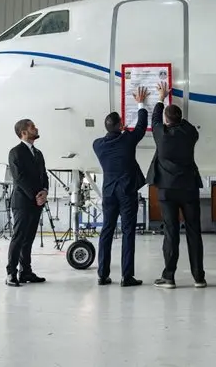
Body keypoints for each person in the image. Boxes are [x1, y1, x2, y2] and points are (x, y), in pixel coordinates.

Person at [146, 82, 206, 289]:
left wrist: (161, 98)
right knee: (194, 232)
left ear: (166, 120)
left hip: (167, 190)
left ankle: (169, 277)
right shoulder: (190, 134)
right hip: (189, 188)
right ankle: (199, 277)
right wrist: (176, 115)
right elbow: (187, 126)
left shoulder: (160, 134)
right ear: (180, 120)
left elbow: (155, 118)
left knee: (171, 233)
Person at [92, 86, 150, 287]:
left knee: (106, 231)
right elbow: (141, 125)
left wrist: (121, 131)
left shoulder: (98, 145)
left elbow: (115, 137)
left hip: (109, 193)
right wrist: (140, 103)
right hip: (127, 192)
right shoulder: (127, 140)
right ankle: (127, 276)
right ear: (120, 125)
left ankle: (102, 275)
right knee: (128, 232)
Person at [5, 118, 49, 287]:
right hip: (23, 202)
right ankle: (11, 273)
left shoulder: (38, 153)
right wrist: (35, 195)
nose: (36, 129)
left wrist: (44, 191)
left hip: (37, 202)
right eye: (32, 127)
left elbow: (44, 174)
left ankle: (25, 272)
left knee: (29, 239)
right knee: (18, 237)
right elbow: (19, 178)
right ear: (23, 132)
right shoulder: (15, 152)